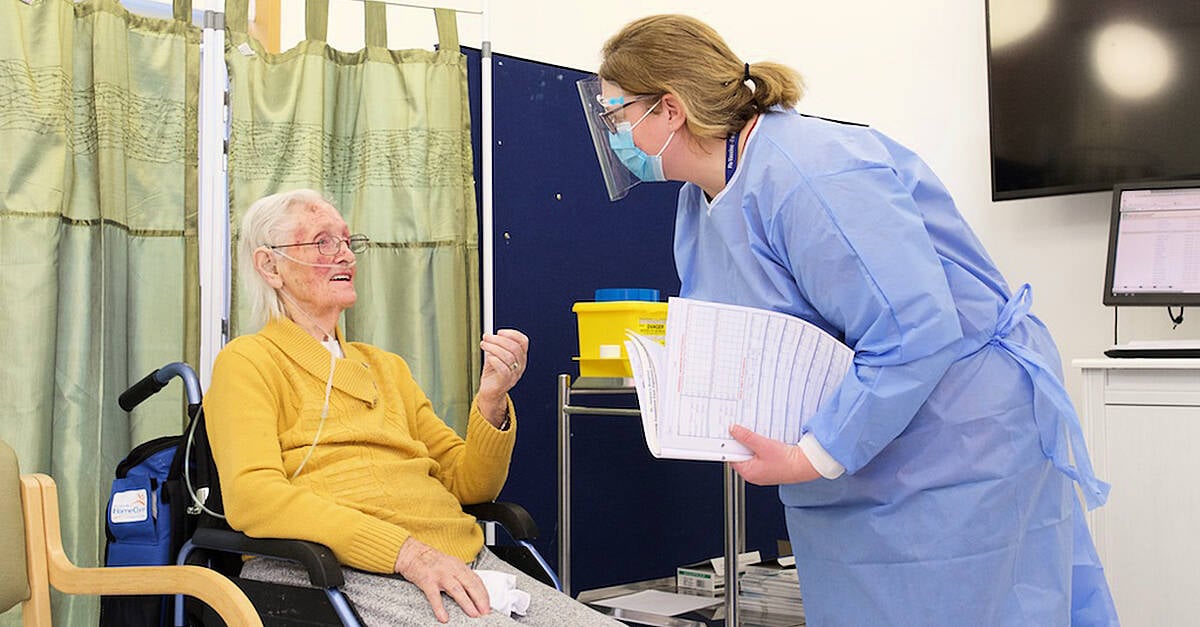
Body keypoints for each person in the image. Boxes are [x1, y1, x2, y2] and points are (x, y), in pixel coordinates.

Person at [579, 14, 1120, 627]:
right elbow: (739, 331)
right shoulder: (700, 200)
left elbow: (914, 329)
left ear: (670, 109)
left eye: (617, 112)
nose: (614, 130)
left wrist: (815, 454)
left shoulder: (810, 171)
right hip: (857, 451)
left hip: (953, 437)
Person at [203, 189, 620, 625]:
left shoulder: (386, 368)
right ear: (269, 265)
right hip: (345, 570)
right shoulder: (248, 362)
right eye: (322, 241)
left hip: (460, 559)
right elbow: (254, 498)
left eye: (347, 241)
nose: (345, 255)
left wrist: (491, 399)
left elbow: (470, 487)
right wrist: (403, 552)